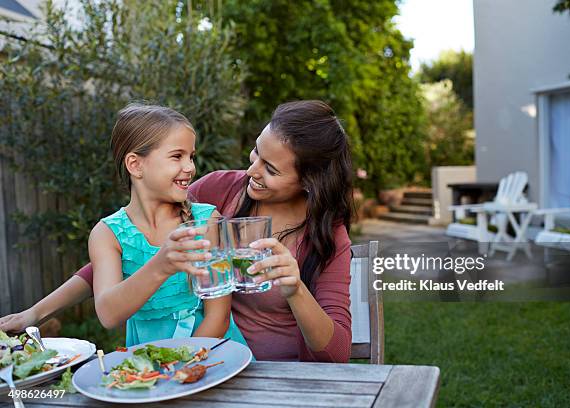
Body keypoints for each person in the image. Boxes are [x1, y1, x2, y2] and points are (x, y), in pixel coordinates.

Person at [1, 100, 353, 362]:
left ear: (308, 182)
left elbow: (336, 354)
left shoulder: (327, 237)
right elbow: (138, 250)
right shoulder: (219, 191)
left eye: (271, 168)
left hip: (273, 374)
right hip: (199, 357)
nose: (251, 171)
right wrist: (36, 313)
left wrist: (295, 289)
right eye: (255, 153)